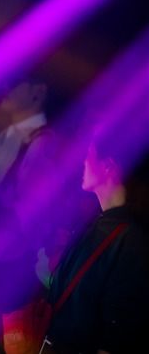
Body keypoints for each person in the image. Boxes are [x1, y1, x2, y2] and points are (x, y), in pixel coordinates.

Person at [44, 126, 149, 354]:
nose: (83, 162)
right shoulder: (100, 225)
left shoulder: (129, 240)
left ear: (108, 166)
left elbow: (118, 333)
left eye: (88, 155)